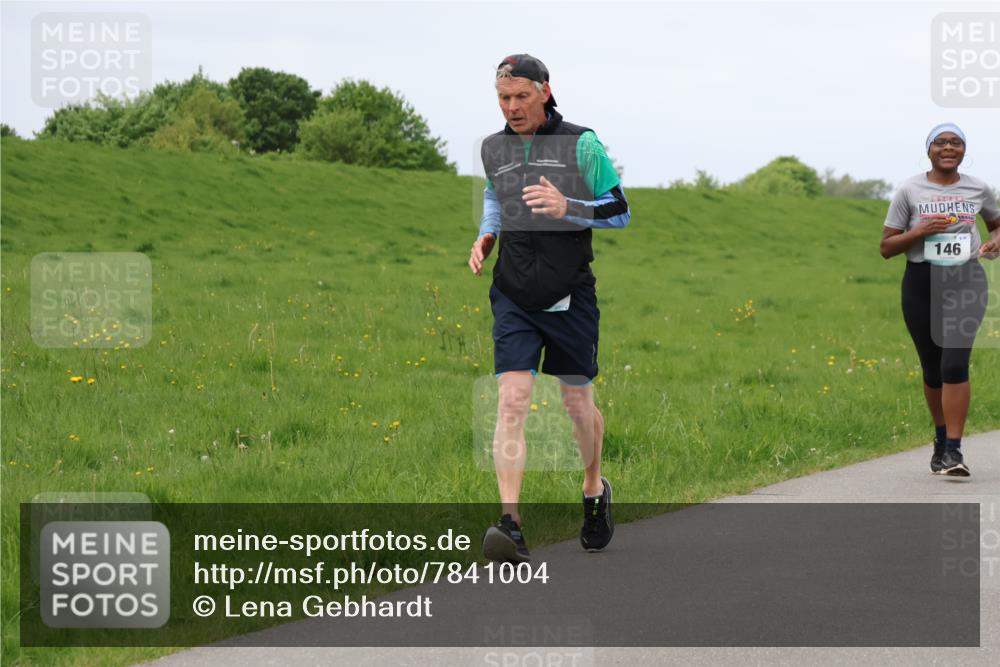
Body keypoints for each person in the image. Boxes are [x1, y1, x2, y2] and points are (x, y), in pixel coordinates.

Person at [468, 54, 630, 562]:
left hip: (570, 293)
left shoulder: (581, 143)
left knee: (576, 404)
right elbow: (497, 197)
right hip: (514, 291)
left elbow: (620, 210)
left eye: (520, 96)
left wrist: (569, 208)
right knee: (512, 400)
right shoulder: (493, 148)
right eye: (503, 97)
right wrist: (487, 232)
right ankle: (510, 525)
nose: (511, 107)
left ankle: (592, 488)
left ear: (544, 91)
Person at [880, 123, 1000, 476]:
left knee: (954, 364)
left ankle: (954, 450)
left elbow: (996, 224)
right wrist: (919, 232)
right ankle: (940, 437)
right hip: (922, 282)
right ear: (929, 149)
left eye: (956, 142)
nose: (949, 148)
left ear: (964, 150)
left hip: (966, 280)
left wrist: (994, 242)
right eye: (941, 142)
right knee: (933, 370)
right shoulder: (909, 189)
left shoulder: (979, 188)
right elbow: (886, 247)